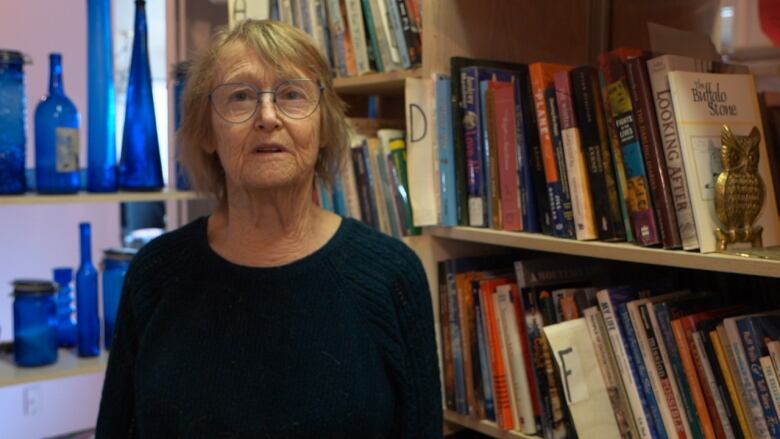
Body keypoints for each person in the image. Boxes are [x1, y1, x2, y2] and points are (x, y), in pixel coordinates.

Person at [95, 19, 442, 438]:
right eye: (240, 97)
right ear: (207, 132)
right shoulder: (155, 273)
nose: (267, 116)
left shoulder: (391, 276)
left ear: (324, 127)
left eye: (292, 94)